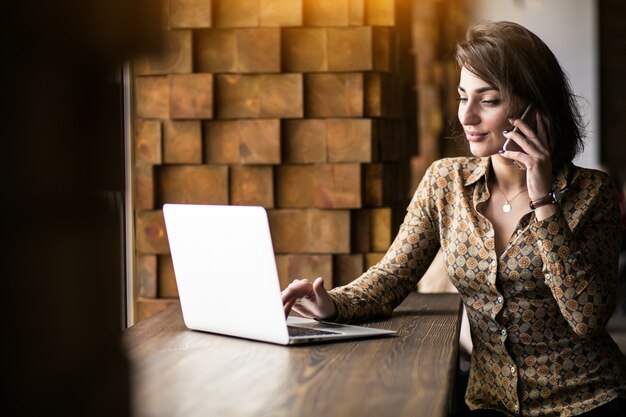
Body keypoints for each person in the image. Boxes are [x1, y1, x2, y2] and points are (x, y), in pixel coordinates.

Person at [281, 21, 626, 417]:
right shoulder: (446, 183)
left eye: (489, 100)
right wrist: (331, 304)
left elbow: (587, 319)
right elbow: (390, 279)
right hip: (491, 402)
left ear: (535, 107)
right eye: (463, 96)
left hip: (587, 400)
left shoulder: (592, 194)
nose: (467, 115)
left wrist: (544, 200)